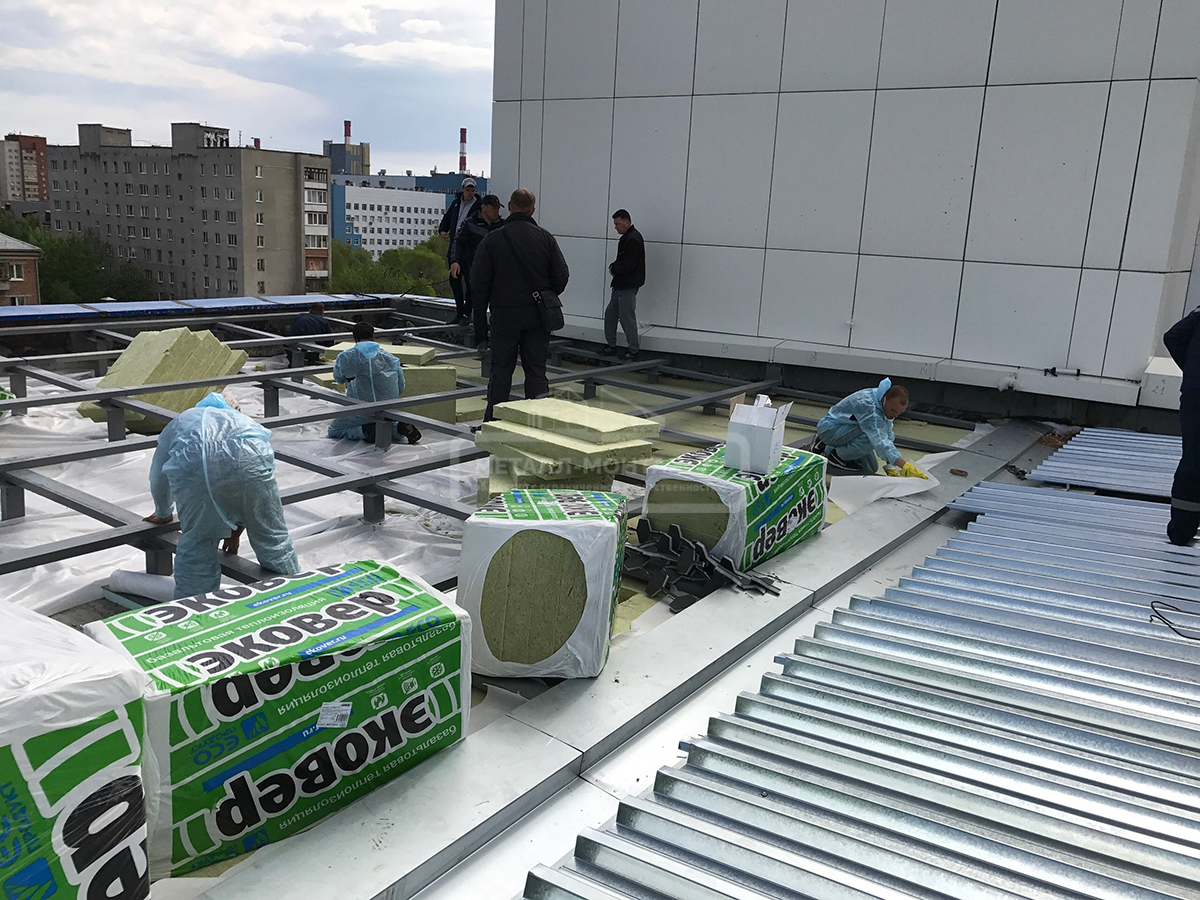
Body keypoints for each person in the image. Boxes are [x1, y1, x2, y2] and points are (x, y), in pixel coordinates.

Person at [144, 393, 300, 599]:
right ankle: (295, 594)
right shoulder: (243, 421)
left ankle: (195, 606)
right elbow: (248, 481)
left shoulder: (182, 421)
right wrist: (239, 526)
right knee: (272, 537)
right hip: (251, 464)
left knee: (198, 543)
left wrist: (163, 512)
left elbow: (159, 476)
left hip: (196, 471)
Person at [471, 188, 569, 421]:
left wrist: (494, 301)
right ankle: (537, 425)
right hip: (537, 315)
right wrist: (543, 295)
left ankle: (494, 424)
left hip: (505, 314)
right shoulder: (545, 238)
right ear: (532, 210)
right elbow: (561, 277)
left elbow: (477, 281)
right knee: (536, 372)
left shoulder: (493, 239)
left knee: (501, 371)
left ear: (510, 207)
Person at [328, 321, 421, 446]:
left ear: (354, 338)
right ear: (373, 336)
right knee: (385, 423)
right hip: (388, 408)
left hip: (361, 409)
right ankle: (399, 428)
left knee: (335, 430)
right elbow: (401, 386)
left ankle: (366, 431)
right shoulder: (390, 358)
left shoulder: (346, 357)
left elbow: (339, 379)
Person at [811, 379, 926, 478]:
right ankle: (835, 455)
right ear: (884, 400)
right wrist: (903, 465)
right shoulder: (869, 408)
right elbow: (880, 440)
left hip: (846, 429)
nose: (895, 415)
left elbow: (887, 433)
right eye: (893, 411)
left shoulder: (884, 402)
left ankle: (829, 448)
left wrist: (890, 465)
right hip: (830, 429)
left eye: (899, 413)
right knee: (871, 436)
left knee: (870, 468)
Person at [450, 193, 505, 350]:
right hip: (477, 272)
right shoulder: (470, 223)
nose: (496, 211)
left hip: (497, 273)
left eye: (497, 208)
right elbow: (458, 243)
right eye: (493, 208)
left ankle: (498, 339)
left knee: (498, 308)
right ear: (484, 207)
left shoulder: (502, 225)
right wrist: (455, 261)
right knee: (479, 307)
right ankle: (481, 340)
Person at [1163, 309, 1200, 544]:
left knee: (1193, 459)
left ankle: (1181, 530)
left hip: (1195, 395)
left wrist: (1192, 371)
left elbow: (1173, 337)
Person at [601, 209, 645, 360]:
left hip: (627, 284)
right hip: (622, 284)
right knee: (611, 315)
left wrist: (614, 269)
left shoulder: (632, 239)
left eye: (617, 224)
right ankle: (613, 346)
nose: (615, 227)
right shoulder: (630, 237)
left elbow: (629, 264)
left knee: (626, 318)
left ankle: (633, 351)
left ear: (627, 222)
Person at [438, 177, 481, 324]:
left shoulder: (478, 206)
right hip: (455, 247)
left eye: (472, 190)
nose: (470, 193)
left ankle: (466, 314)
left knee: (470, 283)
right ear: (463, 189)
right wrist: (442, 230)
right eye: (467, 190)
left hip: (469, 250)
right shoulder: (456, 203)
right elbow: (447, 218)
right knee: (454, 280)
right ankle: (459, 311)